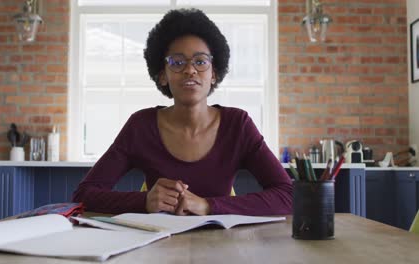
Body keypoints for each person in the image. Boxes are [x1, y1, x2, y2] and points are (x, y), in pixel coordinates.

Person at [72, 8, 293, 216]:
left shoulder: (238, 125)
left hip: (223, 248)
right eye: (177, 62)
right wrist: (144, 201)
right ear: (162, 75)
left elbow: (288, 195)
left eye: (200, 61)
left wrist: (208, 205)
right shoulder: (141, 125)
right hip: (158, 247)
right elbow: (83, 195)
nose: (190, 70)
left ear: (214, 74)